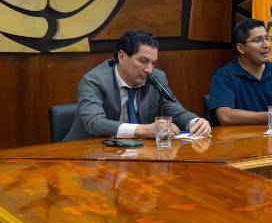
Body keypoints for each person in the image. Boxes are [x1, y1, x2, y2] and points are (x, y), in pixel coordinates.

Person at [64, 30, 211, 141]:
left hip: (135, 153)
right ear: (122, 56)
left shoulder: (156, 78)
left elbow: (174, 110)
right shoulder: (94, 80)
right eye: (143, 61)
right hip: (85, 155)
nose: (149, 69)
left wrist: (195, 122)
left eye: (153, 63)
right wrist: (143, 130)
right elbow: (94, 123)